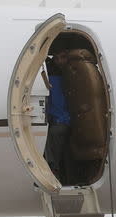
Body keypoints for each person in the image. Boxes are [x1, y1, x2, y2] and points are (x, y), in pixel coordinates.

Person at [43, 42, 71, 183]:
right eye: (58, 57)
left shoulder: (58, 78)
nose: (61, 61)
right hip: (62, 120)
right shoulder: (56, 76)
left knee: (53, 132)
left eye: (64, 57)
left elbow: (59, 108)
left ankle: (53, 171)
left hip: (62, 121)